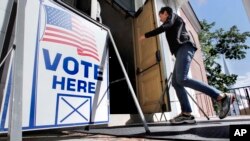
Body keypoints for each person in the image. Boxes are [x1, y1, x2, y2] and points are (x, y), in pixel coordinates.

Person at [139, 6, 234, 124]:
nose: (160, 19)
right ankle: (186, 113)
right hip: (180, 51)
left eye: (160, 16)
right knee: (176, 82)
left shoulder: (173, 17)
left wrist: (145, 35)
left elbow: (165, 26)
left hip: (185, 47)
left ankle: (221, 97)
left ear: (166, 13)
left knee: (182, 79)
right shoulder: (172, 22)